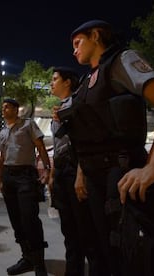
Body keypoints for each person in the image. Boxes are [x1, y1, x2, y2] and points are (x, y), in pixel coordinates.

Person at [66, 20, 154, 275]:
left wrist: (152, 167)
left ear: (96, 36)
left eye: (78, 43)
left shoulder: (121, 61)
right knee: (105, 253)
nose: (74, 51)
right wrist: (81, 174)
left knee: (135, 256)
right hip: (95, 178)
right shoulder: (86, 81)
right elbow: (87, 134)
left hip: (122, 171)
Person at [49, 66, 103, 276]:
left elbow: (84, 143)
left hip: (75, 170)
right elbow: (58, 146)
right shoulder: (59, 109)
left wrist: (80, 175)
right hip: (62, 172)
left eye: (55, 79)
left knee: (86, 232)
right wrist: (53, 175)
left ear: (67, 82)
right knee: (69, 233)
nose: (51, 83)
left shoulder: (78, 104)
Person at [0, 98, 51, 276]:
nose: (4, 109)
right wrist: (0, 179)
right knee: (16, 221)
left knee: (30, 218)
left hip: (26, 176)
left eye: (7, 107)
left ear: (16, 109)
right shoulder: (3, 132)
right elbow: (2, 157)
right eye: (3, 107)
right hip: (8, 176)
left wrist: (47, 169)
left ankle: (39, 263)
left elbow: (40, 147)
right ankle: (26, 258)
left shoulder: (28, 125)